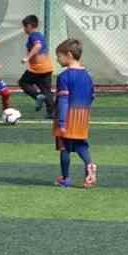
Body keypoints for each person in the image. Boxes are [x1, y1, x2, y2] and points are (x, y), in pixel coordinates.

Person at [52, 39, 96, 188]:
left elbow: (63, 100)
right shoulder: (88, 75)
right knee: (80, 144)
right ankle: (89, 164)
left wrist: (62, 122)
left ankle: (65, 178)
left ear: (69, 55)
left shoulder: (64, 76)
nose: (57, 59)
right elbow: (92, 96)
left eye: (59, 56)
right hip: (83, 115)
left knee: (64, 147)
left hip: (68, 116)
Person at [18, 15, 53, 113]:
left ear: (29, 26)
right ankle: (51, 113)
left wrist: (27, 58)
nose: (24, 29)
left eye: (24, 26)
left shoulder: (34, 35)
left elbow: (38, 46)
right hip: (47, 67)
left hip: (38, 68)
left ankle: (38, 96)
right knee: (46, 91)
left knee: (23, 82)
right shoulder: (39, 35)